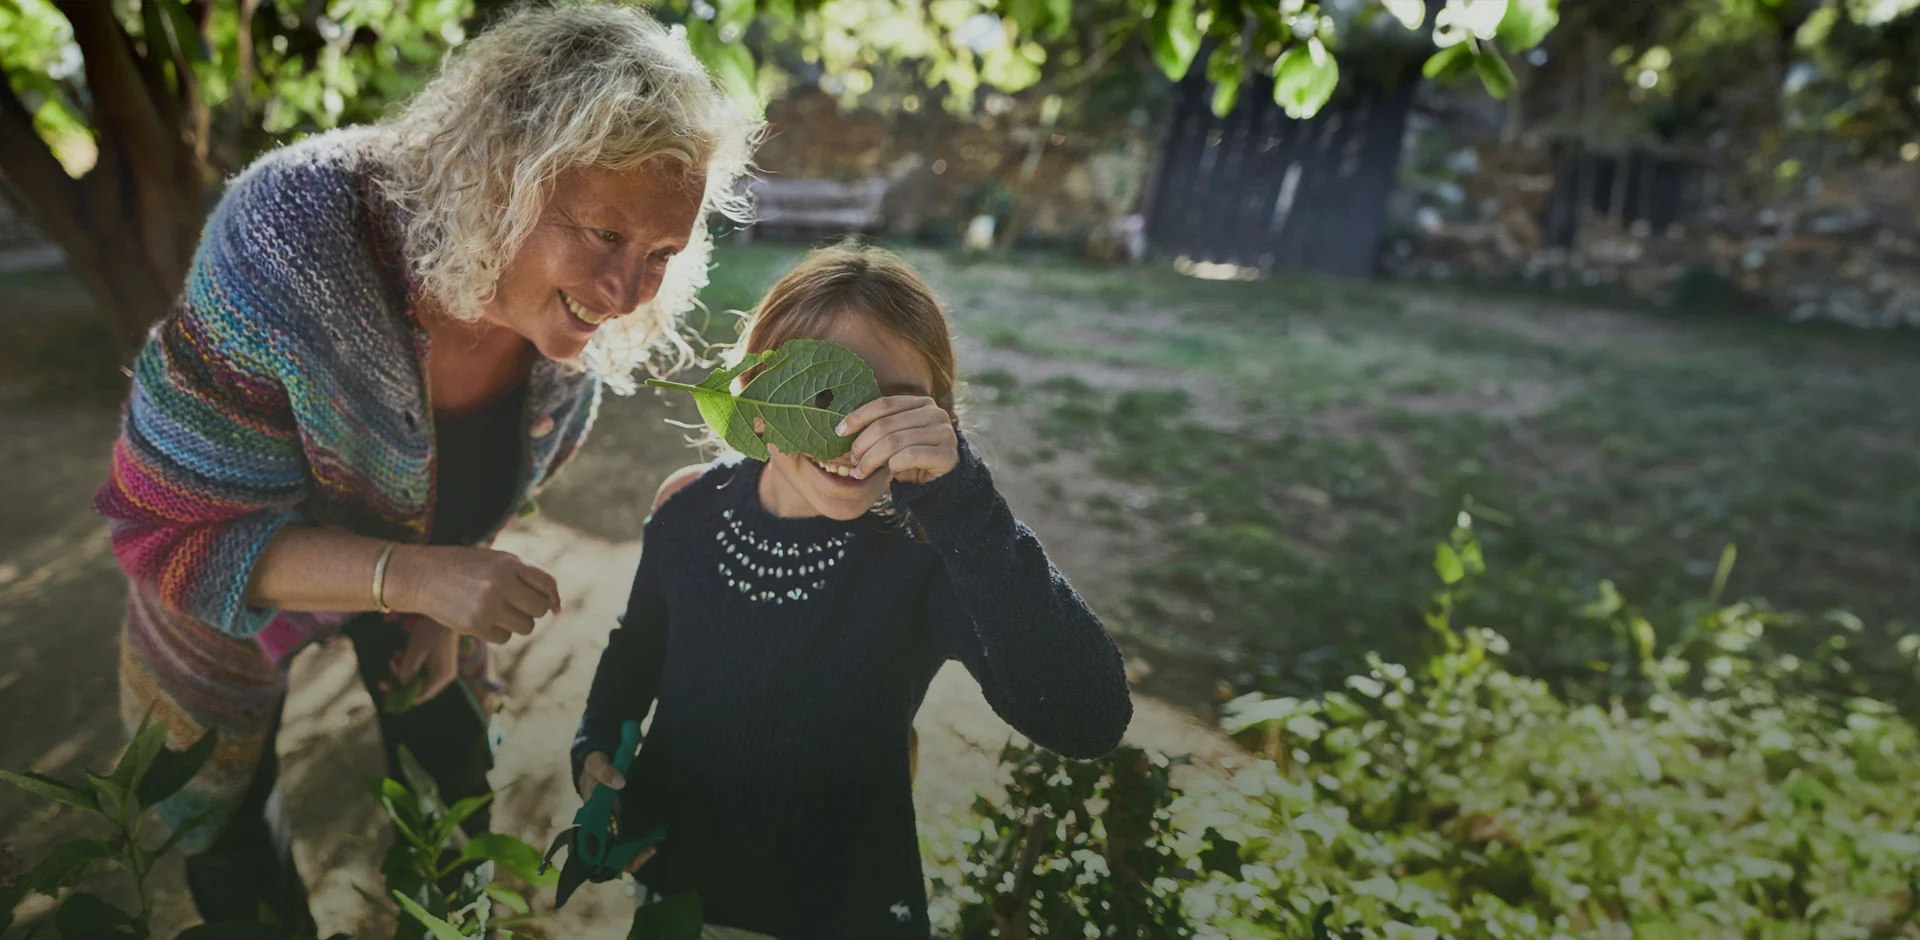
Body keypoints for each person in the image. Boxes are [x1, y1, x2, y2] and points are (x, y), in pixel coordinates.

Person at [92, 5, 758, 929]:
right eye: (605, 233)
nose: (624, 292)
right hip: (224, 605)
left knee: (454, 805)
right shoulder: (293, 233)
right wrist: (412, 574)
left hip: (427, 594)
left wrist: (439, 604)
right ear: (500, 180)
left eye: (661, 255)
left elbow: (480, 496)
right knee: (232, 843)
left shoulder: (569, 346)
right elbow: (171, 526)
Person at [571, 245, 1134, 939]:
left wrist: (960, 503)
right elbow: (638, 648)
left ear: (937, 419)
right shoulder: (686, 509)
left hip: (845, 912)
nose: (852, 436)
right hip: (679, 892)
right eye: (821, 392)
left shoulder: (929, 558)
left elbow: (1088, 718)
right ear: (756, 400)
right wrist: (596, 743)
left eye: (894, 407)